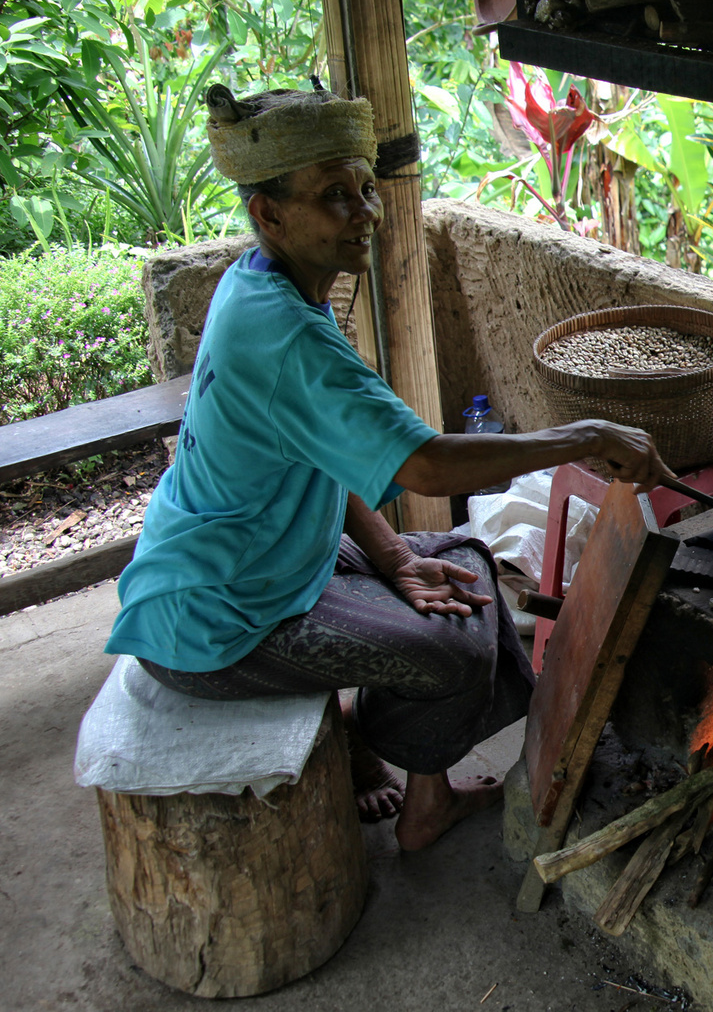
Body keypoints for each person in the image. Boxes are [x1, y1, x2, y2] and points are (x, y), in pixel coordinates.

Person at [103, 82, 673, 850]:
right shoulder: (284, 335)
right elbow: (429, 467)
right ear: (268, 214)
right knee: (456, 649)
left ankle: (386, 753)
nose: (365, 212)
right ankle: (391, 767)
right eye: (335, 196)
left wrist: (398, 558)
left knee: (462, 561)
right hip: (214, 621)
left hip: (249, 553)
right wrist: (586, 435)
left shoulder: (256, 285)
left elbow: (322, 466)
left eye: (366, 188)